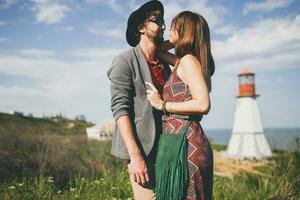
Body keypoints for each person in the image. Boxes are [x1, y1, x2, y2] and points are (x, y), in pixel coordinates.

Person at [146, 11, 215, 199]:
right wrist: (177, 39)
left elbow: (203, 104)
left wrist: (163, 105)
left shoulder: (188, 61)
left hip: (186, 145)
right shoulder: (184, 62)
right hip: (180, 142)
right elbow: (159, 50)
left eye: (174, 26)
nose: (169, 29)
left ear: (185, 31)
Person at [107, 1, 171, 199]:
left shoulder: (164, 65)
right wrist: (135, 157)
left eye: (163, 21)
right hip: (142, 151)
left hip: (167, 149)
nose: (162, 25)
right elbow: (120, 109)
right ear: (141, 27)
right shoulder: (124, 61)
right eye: (157, 20)